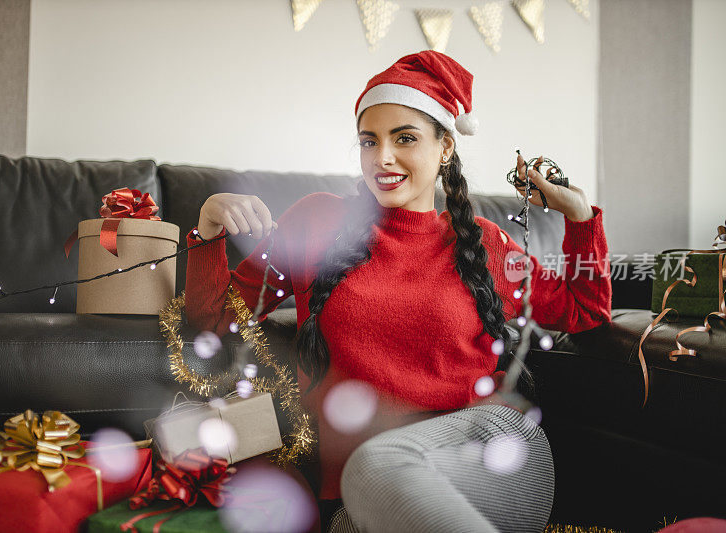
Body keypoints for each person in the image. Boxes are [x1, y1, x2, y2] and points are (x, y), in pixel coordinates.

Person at [185, 50, 611, 533]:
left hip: (491, 457)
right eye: (370, 141)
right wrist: (208, 231)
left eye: (404, 138)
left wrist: (579, 216)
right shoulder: (317, 222)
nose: (382, 158)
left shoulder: (484, 244)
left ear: (445, 148)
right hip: (364, 500)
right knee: (365, 491)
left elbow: (584, 310)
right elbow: (215, 322)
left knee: (376, 465)